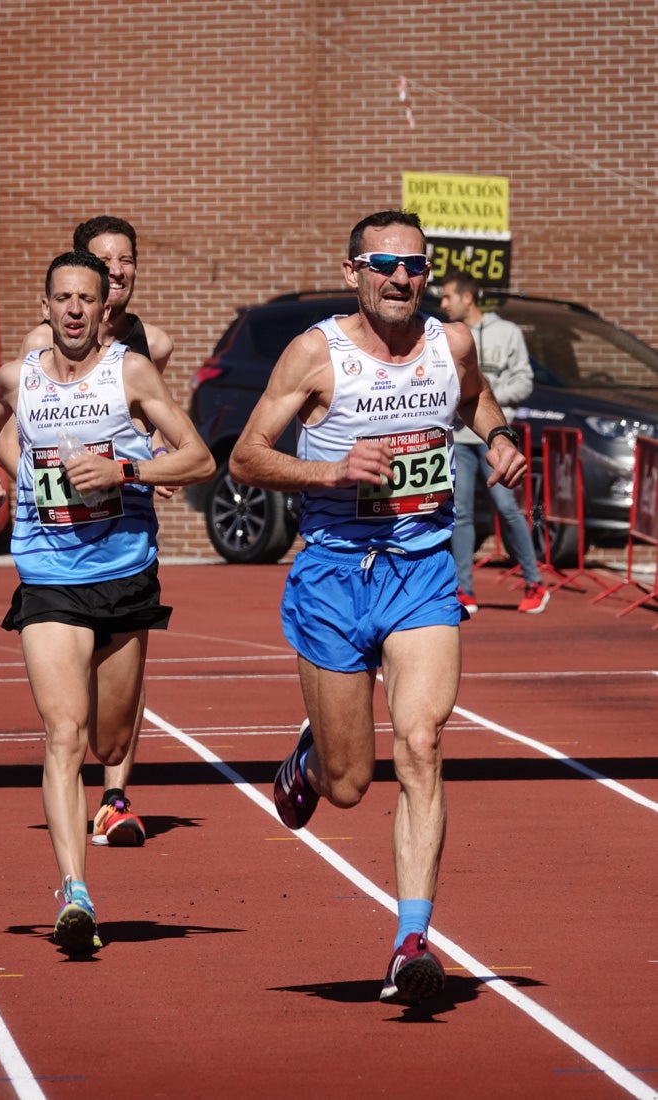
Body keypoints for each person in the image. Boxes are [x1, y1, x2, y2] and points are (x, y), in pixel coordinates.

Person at [229, 209, 527, 1007]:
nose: (401, 278)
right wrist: (327, 474)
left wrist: (496, 440)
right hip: (331, 575)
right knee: (350, 783)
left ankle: (409, 940)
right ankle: (309, 759)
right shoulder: (314, 354)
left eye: (415, 266)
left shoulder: (450, 346)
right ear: (354, 270)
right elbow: (246, 456)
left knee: (422, 744)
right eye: (385, 264)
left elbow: (476, 402)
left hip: (421, 569)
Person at [0, 251, 215, 953]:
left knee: (108, 738)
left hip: (124, 573)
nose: (74, 309)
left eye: (87, 299)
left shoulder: (130, 373)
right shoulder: (19, 379)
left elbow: (200, 459)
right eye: (62, 298)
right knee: (63, 735)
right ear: (44, 308)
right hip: (47, 575)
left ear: (104, 311)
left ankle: (110, 790)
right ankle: (75, 891)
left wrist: (124, 468)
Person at [2, 216, 175, 847]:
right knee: (67, 725)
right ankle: (80, 867)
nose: (119, 268)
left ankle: (116, 792)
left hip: (125, 544)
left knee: (115, 708)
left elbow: (157, 427)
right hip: (54, 557)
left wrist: (148, 466)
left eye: (126, 259)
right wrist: (36, 488)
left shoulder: (150, 347)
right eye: (105, 259)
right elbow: (6, 431)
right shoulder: (38, 346)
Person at [440, 271, 550, 615]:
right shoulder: (447, 337)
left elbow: (524, 380)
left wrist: (485, 401)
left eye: (448, 297)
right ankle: (464, 590)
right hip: (459, 437)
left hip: (498, 438)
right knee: (461, 514)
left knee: (508, 509)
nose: (443, 304)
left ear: (467, 298)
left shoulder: (508, 332)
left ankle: (534, 582)